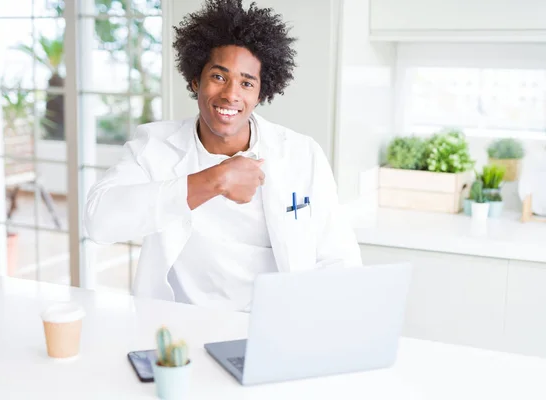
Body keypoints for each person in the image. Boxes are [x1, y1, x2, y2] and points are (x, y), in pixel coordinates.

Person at [84, 0, 362, 312]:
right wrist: (215, 180)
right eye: (218, 76)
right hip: (178, 325)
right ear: (195, 80)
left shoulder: (300, 154)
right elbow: (98, 221)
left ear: (260, 93)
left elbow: (339, 259)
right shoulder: (155, 147)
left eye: (246, 83)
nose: (231, 93)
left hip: (270, 324)